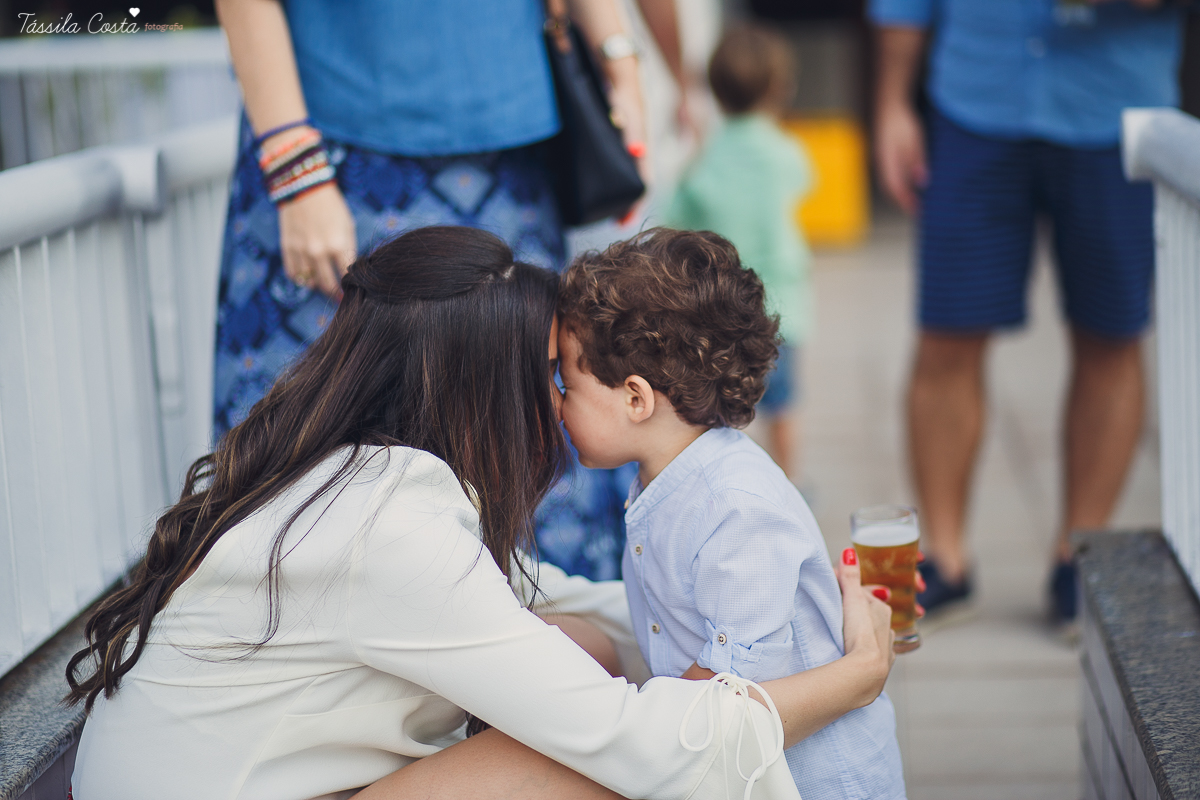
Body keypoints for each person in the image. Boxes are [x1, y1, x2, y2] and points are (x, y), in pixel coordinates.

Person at [67, 226, 900, 800]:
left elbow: (546, 602)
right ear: (477, 381)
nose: (560, 398)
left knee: (584, 646)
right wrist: (851, 676)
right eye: (550, 372)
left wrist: (801, 619)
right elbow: (628, 739)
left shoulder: (354, 477)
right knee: (593, 767)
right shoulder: (385, 529)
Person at [211, 0, 650, 582]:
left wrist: (618, 58)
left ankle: (536, 651)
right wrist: (295, 166)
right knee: (306, 448)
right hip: (334, 140)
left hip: (510, 137)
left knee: (532, 425)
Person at [554, 229, 909, 800]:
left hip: (812, 781)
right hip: (740, 769)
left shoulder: (736, 509)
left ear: (636, 398)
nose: (554, 402)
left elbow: (732, 685)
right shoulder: (663, 477)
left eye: (565, 384)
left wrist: (632, 729)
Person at [870, 0, 1185, 622]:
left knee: (1111, 336)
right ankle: (945, 558)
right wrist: (892, 101)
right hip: (973, 100)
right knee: (945, 337)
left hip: (1116, 110)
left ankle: (1079, 554)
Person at [666, 25, 814, 481]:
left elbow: (674, 216)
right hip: (785, 309)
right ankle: (791, 482)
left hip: (722, 309)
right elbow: (805, 185)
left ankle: (733, 482)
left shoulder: (707, 157)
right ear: (778, 88)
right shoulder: (785, 151)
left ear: (715, 88)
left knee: (728, 407)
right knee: (784, 405)